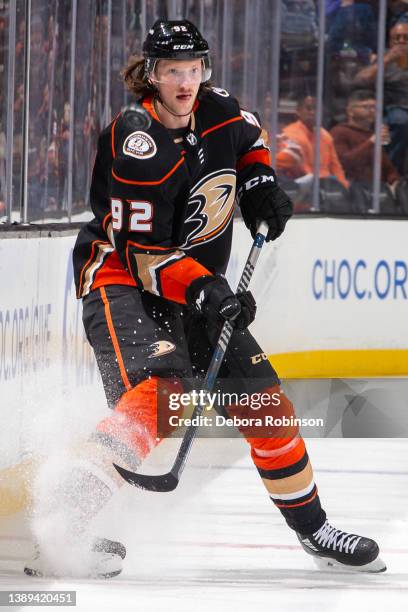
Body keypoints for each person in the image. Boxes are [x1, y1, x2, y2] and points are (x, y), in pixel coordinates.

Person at [25, 19, 385, 579]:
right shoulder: (136, 141)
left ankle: (315, 530)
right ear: (152, 74)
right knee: (158, 395)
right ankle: (63, 530)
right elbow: (144, 255)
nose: (187, 80)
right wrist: (207, 289)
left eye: (195, 68)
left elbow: (251, 139)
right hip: (122, 279)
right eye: (174, 70)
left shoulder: (219, 108)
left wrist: (261, 183)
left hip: (197, 288)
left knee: (266, 406)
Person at [354, 16, 408, 174]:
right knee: (401, 120)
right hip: (392, 107)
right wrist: (387, 60)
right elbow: (360, 80)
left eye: (406, 38)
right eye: (396, 38)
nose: (401, 42)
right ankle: (390, 172)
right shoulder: (384, 56)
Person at [331, 89, 400, 187]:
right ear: (350, 111)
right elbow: (343, 163)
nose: (372, 111)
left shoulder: (372, 134)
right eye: (366, 107)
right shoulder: (339, 132)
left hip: (378, 191)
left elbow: (387, 168)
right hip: (353, 191)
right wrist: (371, 142)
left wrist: (395, 183)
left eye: (375, 107)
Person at [277, 95, 349, 189]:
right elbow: (299, 169)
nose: (313, 112)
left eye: (316, 109)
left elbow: (335, 166)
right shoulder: (289, 133)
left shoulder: (326, 135)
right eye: (308, 108)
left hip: (326, 184)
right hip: (303, 187)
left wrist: (344, 187)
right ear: (298, 111)